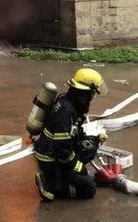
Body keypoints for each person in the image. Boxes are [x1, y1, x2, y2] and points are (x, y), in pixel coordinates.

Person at [34, 68, 107, 201]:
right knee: (89, 189)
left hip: (56, 152)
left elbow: (73, 135)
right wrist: (79, 168)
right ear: (84, 93)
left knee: (90, 148)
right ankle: (50, 184)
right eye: (91, 94)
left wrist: (95, 140)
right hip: (51, 159)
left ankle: (62, 178)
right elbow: (62, 148)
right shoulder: (66, 112)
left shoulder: (70, 103)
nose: (91, 98)